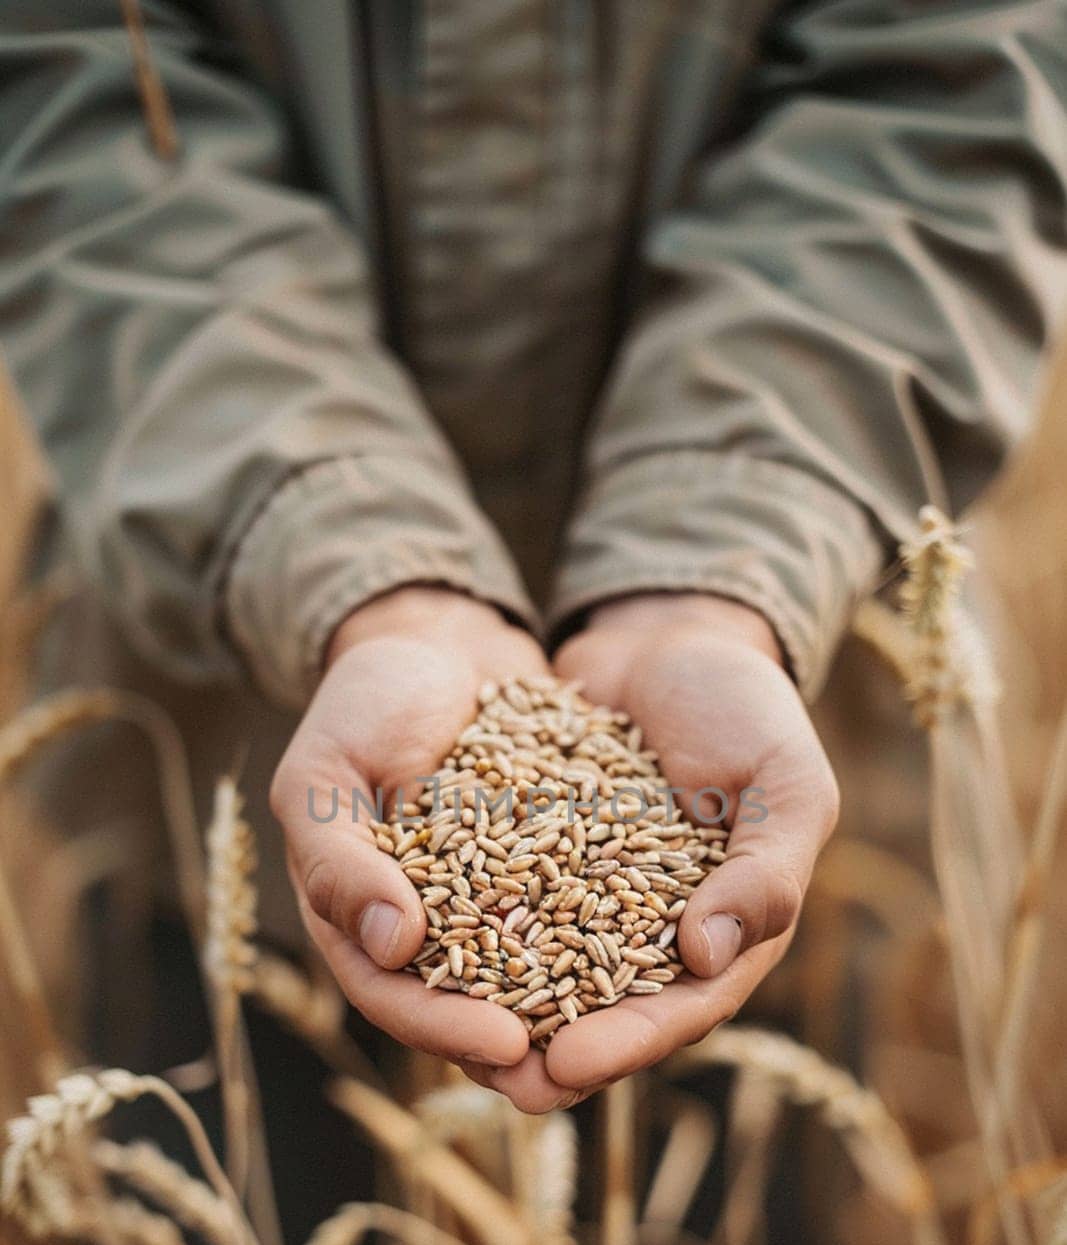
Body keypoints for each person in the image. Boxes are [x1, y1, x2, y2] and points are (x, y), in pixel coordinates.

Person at [2, 2, 1065, 1114]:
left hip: (789, 679)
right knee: (240, 1219)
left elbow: (936, 103)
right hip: (212, 732)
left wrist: (718, 563)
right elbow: (81, 105)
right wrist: (341, 557)